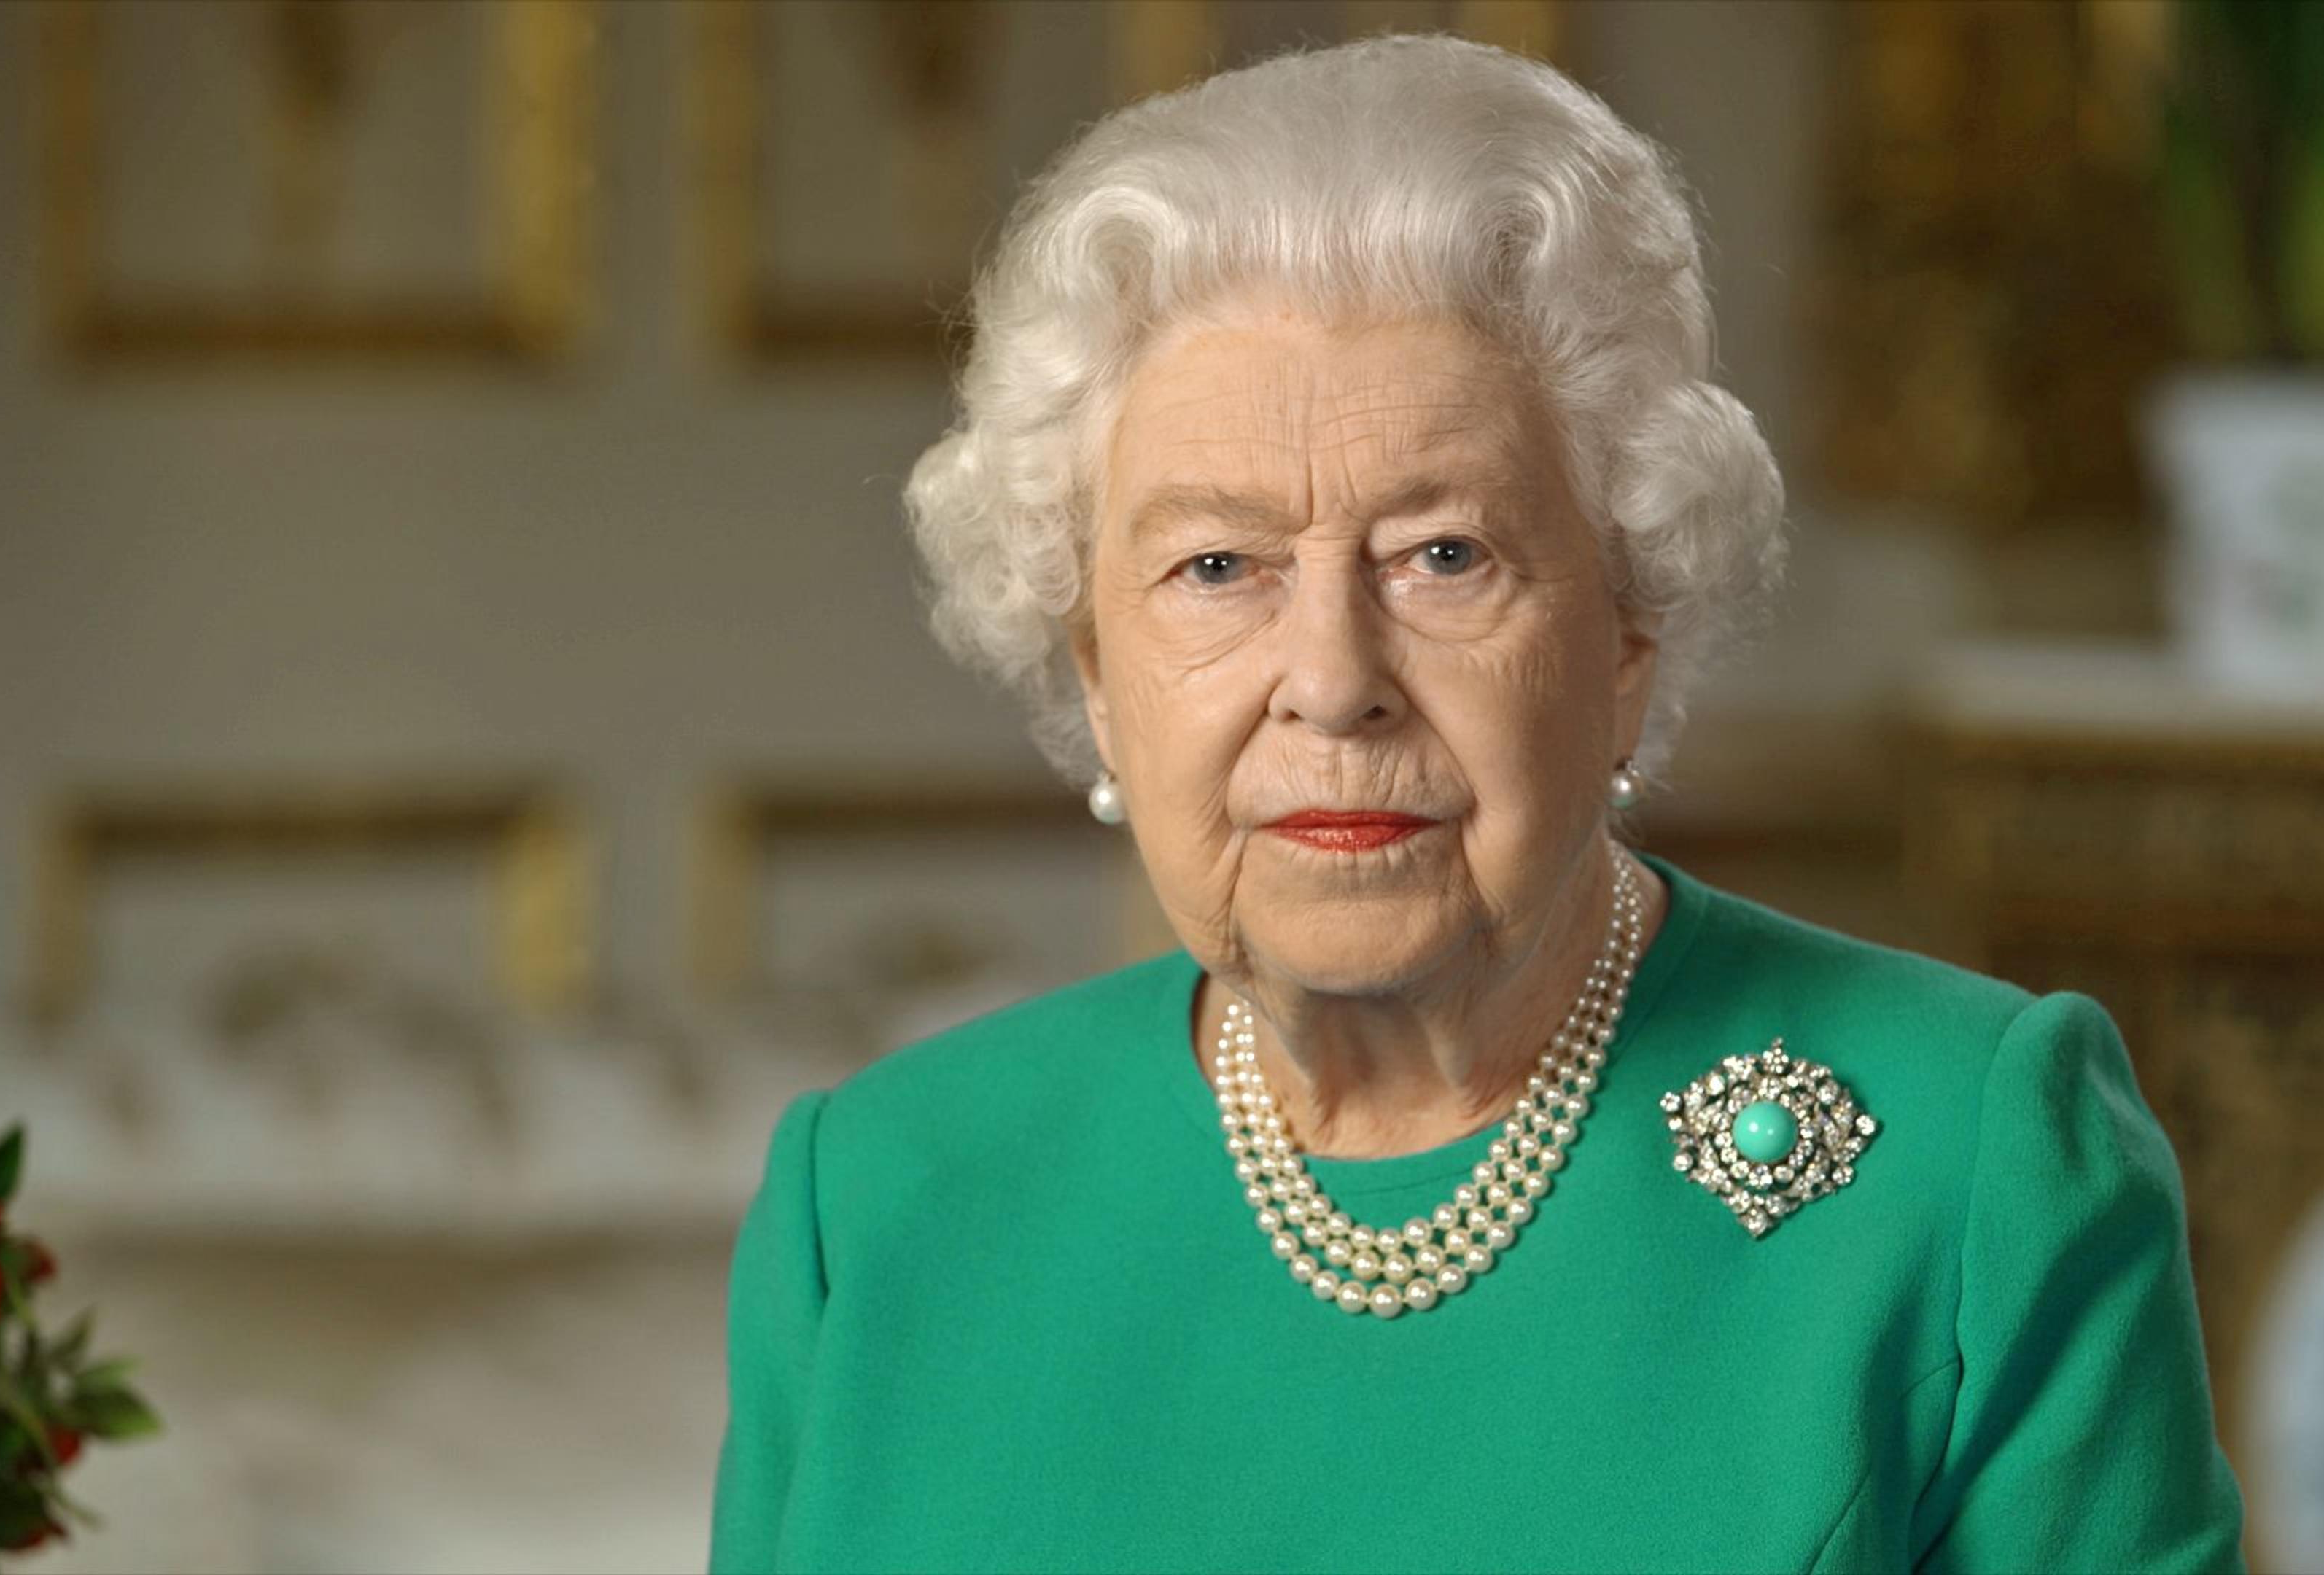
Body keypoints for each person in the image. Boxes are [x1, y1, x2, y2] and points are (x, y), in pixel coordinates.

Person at [710, 32, 2245, 1574]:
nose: (1333, 678)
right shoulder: (882, 1201)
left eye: (1444, 554)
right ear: (1099, 671)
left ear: (1631, 632)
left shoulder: (1971, 1161)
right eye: (1217, 568)